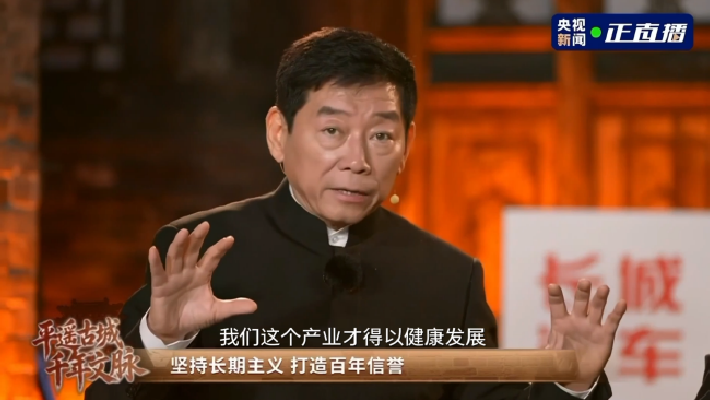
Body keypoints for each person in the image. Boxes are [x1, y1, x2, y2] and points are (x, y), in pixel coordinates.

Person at [86, 27, 627, 400]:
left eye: (382, 136)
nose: (358, 159)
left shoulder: (449, 277)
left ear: (407, 143)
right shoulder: (199, 252)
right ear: (279, 133)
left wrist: (570, 382)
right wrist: (161, 341)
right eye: (332, 130)